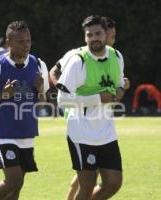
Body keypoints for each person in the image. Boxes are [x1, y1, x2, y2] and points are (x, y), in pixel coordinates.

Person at [49, 16, 129, 200]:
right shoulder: (78, 61)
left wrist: (119, 91)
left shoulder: (117, 57)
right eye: (89, 35)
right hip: (81, 131)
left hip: (106, 131)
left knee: (114, 182)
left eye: (98, 33)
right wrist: (97, 98)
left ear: (105, 33)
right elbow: (62, 99)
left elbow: (118, 85)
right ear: (85, 38)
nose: (94, 38)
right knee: (86, 185)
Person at [0, 20, 49, 200]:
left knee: (18, 185)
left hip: (27, 133)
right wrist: (1, 95)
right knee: (13, 180)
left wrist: (40, 91)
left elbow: (42, 103)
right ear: (9, 43)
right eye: (21, 41)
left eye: (28, 40)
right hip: (3, 133)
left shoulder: (38, 65)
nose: (26, 45)